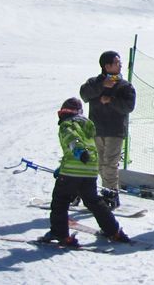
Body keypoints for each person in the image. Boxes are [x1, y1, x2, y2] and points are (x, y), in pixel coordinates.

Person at [38, 97, 130, 246]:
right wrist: (62, 167)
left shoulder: (67, 124)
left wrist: (80, 152)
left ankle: (60, 234)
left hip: (72, 171)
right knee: (93, 201)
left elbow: (71, 139)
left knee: (60, 202)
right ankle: (113, 231)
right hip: (89, 171)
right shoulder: (88, 126)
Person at [79, 50, 136, 210]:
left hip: (115, 131)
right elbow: (84, 94)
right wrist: (101, 86)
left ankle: (111, 194)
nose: (120, 65)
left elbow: (128, 106)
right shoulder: (94, 82)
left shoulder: (125, 86)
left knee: (110, 163)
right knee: (99, 164)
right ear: (107, 66)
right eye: (117, 63)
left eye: (119, 63)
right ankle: (104, 192)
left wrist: (111, 100)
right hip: (96, 130)